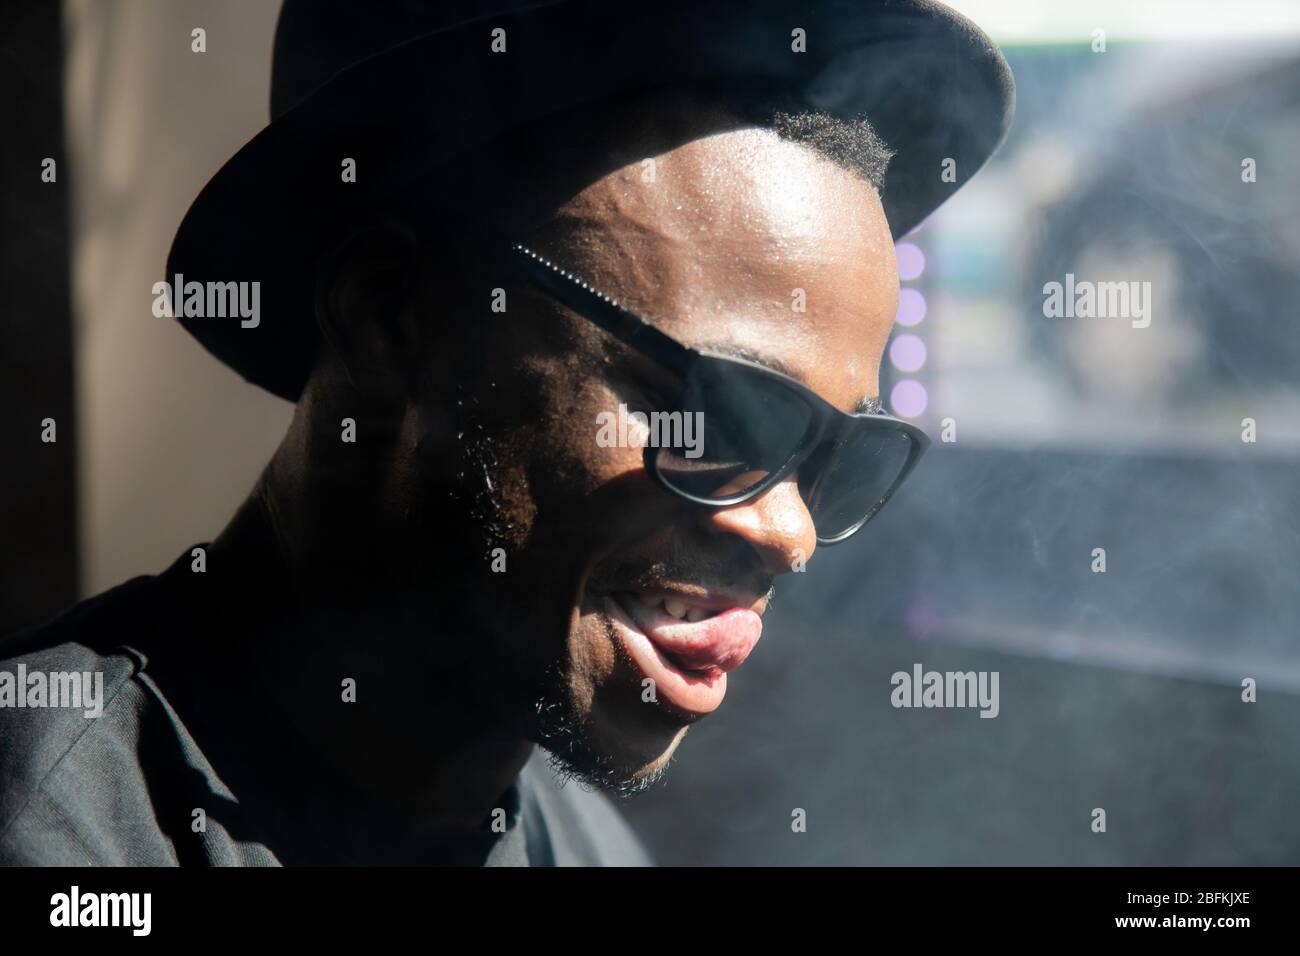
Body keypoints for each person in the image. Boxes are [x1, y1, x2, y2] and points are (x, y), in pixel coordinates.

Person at [0, 0, 1013, 865]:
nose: (786, 531)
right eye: (726, 414)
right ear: (391, 313)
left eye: (835, 454)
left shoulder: (586, 847)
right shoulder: (51, 822)